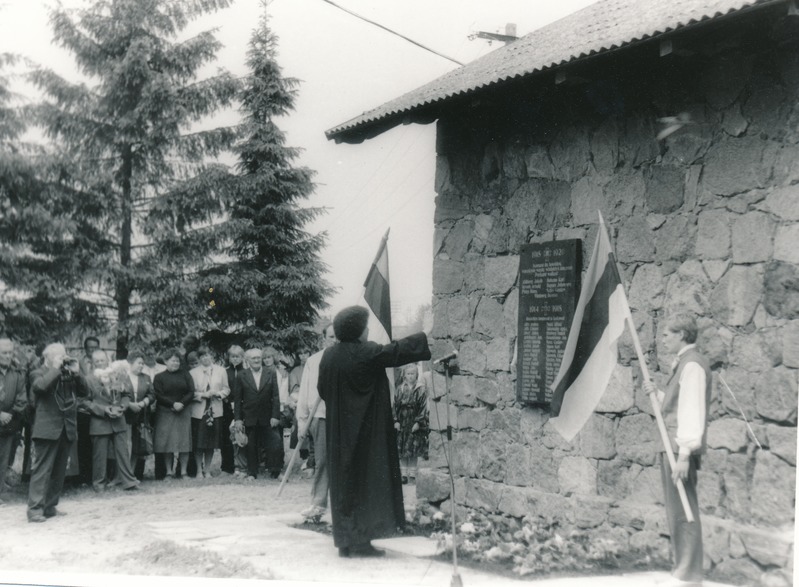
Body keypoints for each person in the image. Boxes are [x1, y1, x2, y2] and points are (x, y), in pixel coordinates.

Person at [318, 305, 431, 557]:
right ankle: (361, 542)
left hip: (338, 433)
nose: (369, 330)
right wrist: (426, 334)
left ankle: (345, 542)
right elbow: (396, 352)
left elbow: (322, 391)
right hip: (365, 433)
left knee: (344, 483)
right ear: (359, 331)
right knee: (364, 482)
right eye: (366, 326)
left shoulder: (329, 356)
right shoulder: (367, 352)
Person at [643, 313, 710, 587]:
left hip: (678, 451)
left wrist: (684, 455)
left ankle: (688, 574)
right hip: (673, 448)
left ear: (682, 334)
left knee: (684, 509)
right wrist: (657, 394)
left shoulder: (692, 365)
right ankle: (683, 569)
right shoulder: (684, 364)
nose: (664, 339)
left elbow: (691, 411)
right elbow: (675, 405)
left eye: (668, 334)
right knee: (677, 509)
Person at [27, 343, 91, 522]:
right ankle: (34, 510)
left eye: (64, 356)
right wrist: (55, 368)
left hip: (67, 427)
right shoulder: (37, 372)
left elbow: (85, 392)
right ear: (47, 357)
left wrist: (77, 373)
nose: (63, 360)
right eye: (59, 357)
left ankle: (49, 506)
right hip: (47, 428)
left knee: (59, 470)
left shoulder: (68, 373)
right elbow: (40, 387)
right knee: (42, 470)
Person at [296, 324, 336, 521]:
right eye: (331, 336)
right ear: (324, 339)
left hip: (344, 417)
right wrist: (302, 421)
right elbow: (305, 392)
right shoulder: (314, 360)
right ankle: (318, 504)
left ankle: (345, 506)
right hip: (321, 416)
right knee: (323, 461)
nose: (334, 340)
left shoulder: (349, 359)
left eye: (338, 336)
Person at [84, 367, 140, 492]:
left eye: (102, 360)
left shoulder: (118, 376)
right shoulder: (88, 380)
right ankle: (99, 484)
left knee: (123, 452)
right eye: (97, 361)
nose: (100, 363)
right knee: (100, 455)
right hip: (99, 422)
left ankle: (129, 482)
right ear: (93, 363)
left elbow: (127, 395)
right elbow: (84, 402)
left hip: (119, 420)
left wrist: (122, 407)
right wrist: (104, 410)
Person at [234, 348, 281, 480]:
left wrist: (275, 416)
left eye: (258, 357)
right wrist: (238, 419)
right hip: (249, 415)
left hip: (268, 416)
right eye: (253, 358)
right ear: (247, 360)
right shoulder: (241, 375)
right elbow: (237, 400)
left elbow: (276, 396)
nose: (256, 360)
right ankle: (252, 472)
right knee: (251, 445)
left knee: (275, 443)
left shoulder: (270, 373)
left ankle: (275, 471)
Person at [153, 348, 195, 479]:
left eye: (177, 361)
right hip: (166, 412)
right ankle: (168, 472)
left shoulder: (186, 374)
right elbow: (158, 395)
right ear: (165, 361)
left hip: (183, 410)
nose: (176, 363)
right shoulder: (159, 377)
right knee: (168, 443)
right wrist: (173, 404)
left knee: (184, 443)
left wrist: (181, 403)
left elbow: (191, 391)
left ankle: (183, 472)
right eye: (173, 361)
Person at [189, 346, 229, 478]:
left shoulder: (221, 370)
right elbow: (190, 393)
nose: (205, 358)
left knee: (211, 443)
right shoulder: (193, 372)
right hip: (199, 411)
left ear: (212, 356)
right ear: (199, 359)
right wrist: (203, 395)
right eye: (202, 356)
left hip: (215, 410)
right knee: (199, 442)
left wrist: (218, 394)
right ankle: (199, 471)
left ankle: (207, 470)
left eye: (208, 355)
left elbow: (226, 389)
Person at [0, 338, 27, 504]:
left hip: (8, 424)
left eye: (10, 353)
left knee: (3, 459)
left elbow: (22, 397)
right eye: (4, 353)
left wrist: (9, 415)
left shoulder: (17, 374)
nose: (7, 356)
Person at [393, 363, 429, 484]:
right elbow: (395, 406)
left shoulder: (421, 389)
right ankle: (403, 474)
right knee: (402, 448)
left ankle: (412, 474)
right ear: (404, 375)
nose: (410, 376)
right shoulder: (400, 388)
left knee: (413, 448)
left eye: (412, 373)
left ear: (416, 374)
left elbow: (423, 407)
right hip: (403, 421)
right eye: (408, 374)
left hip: (414, 420)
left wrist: (419, 422)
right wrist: (396, 420)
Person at [126, 351, 155, 480]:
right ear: (131, 363)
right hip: (126, 415)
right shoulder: (122, 376)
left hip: (141, 416)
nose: (141, 366)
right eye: (139, 363)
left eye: (143, 363)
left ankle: (132, 474)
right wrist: (130, 404)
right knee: (126, 445)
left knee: (137, 446)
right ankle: (122, 475)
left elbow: (152, 394)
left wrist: (144, 403)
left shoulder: (146, 377)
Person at [221, 345, 244, 475]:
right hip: (227, 407)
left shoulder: (246, 371)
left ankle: (241, 465)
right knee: (227, 437)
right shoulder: (224, 371)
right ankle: (227, 466)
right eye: (232, 356)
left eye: (238, 356)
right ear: (229, 358)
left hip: (242, 407)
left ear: (242, 357)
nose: (235, 359)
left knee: (242, 435)